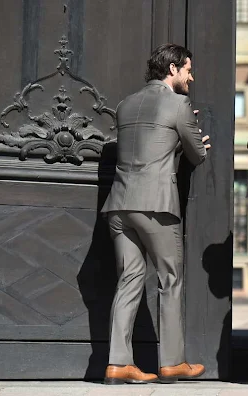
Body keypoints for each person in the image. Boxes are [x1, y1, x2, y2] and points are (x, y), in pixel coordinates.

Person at [101, 43, 210, 385]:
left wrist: (170, 141)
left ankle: (118, 363)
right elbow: (197, 155)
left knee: (129, 279)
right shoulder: (179, 104)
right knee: (169, 279)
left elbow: (146, 144)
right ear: (173, 69)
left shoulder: (125, 105)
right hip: (156, 204)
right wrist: (189, 141)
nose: (191, 77)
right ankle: (172, 362)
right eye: (188, 70)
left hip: (119, 204)